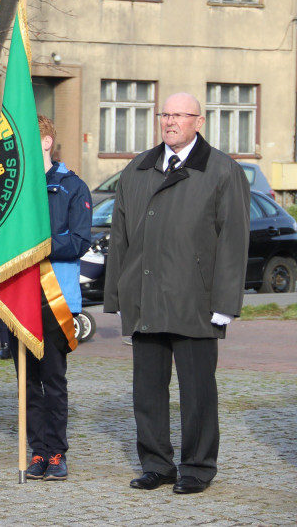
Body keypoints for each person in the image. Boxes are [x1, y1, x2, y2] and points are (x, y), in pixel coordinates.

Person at [105, 92, 249, 495]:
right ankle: (156, 464)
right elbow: (120, 237)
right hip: (145, 296)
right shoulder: (138, 168)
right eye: (164, 114)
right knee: (147, 389)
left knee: (197, 391)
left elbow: (234, 241)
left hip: (196, 301)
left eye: (179, 115)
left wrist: (224, 304)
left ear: (198, 122)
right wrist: (118, 297)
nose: (170, 122)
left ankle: (198, 467)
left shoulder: (221, 170)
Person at [13, 115, 92, 481]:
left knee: (53, 379)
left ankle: (57, 451)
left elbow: (78, 241)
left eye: (32, 138)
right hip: (20, 298)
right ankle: (37, 450)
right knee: (27, 380)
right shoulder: (16, 189)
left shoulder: (73, 187)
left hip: (56, 297)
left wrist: (38, 246)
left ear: (46, 142)